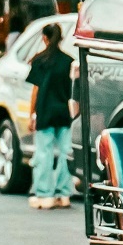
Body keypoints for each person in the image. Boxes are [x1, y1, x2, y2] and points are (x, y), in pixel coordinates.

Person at [26, 21, 76, 209]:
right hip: (63, 111)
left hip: (45, 111)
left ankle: (45, 194)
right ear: (61, 38)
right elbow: (72, 90)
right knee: (65, 153)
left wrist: (32, 114)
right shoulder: (68, 61)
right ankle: (64, 194)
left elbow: (36, 90)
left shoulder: (39, 60)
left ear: (44, 38)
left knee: (44, 153)